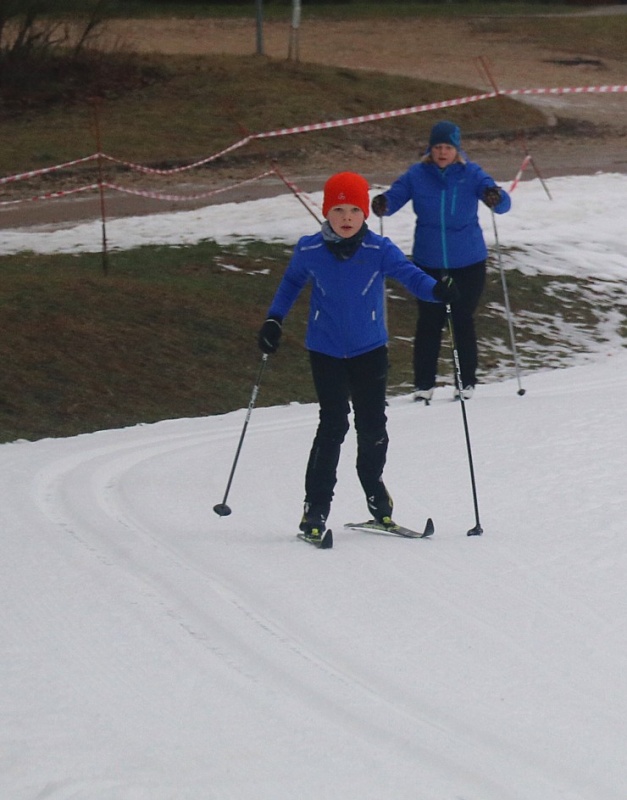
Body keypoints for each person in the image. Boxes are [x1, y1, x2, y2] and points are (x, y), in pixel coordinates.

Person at [257, 171, 458, 541]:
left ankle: (376, 497)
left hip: (370, 350)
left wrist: (437, 290)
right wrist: (274, 319)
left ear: (365, 213)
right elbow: (290, 284)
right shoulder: (309, 250)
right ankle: (314, 510)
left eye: (354, 209)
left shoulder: (378, 249)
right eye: (338, 210)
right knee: (333, 425)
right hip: (326, 350)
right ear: (326, 212)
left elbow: (411, 276)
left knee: (372, 426)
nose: (346, 217)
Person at [371, 120, 512, 402]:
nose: (443, 152)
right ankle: (424, 384)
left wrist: (495, 196)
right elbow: (394, 198)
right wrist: (382, 203)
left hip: (469, 261)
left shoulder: (470, 173)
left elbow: (502, 203)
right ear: (430, 149)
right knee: (429, 321)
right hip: (428, 261)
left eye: (448, 147)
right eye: (438, 147)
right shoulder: (417, 174)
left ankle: (466, 382)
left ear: (457, 149)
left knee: (461, 319)